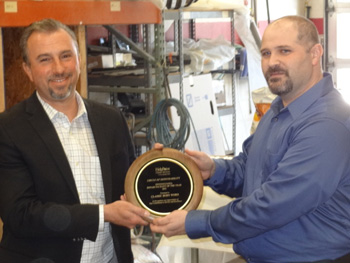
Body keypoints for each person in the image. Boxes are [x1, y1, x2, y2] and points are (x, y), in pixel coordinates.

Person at [150, 15, 350, 263]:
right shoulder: (279, 111)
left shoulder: (327, 125)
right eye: (266, 53)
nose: (272, 62)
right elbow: (250, 169)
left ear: (315, 54)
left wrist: (197, 222)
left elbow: (272, 205)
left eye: (284, 51)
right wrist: (212, 170)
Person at [0, 18, 151, 262]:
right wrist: (104, 214)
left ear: (79, 60)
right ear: (27, 70)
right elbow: (21, 215)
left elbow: (129, 187)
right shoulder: (8, 129)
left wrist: (155, 166)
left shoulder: (111, 120)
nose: (59, 68)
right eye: (45, 59)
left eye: (66, 56)